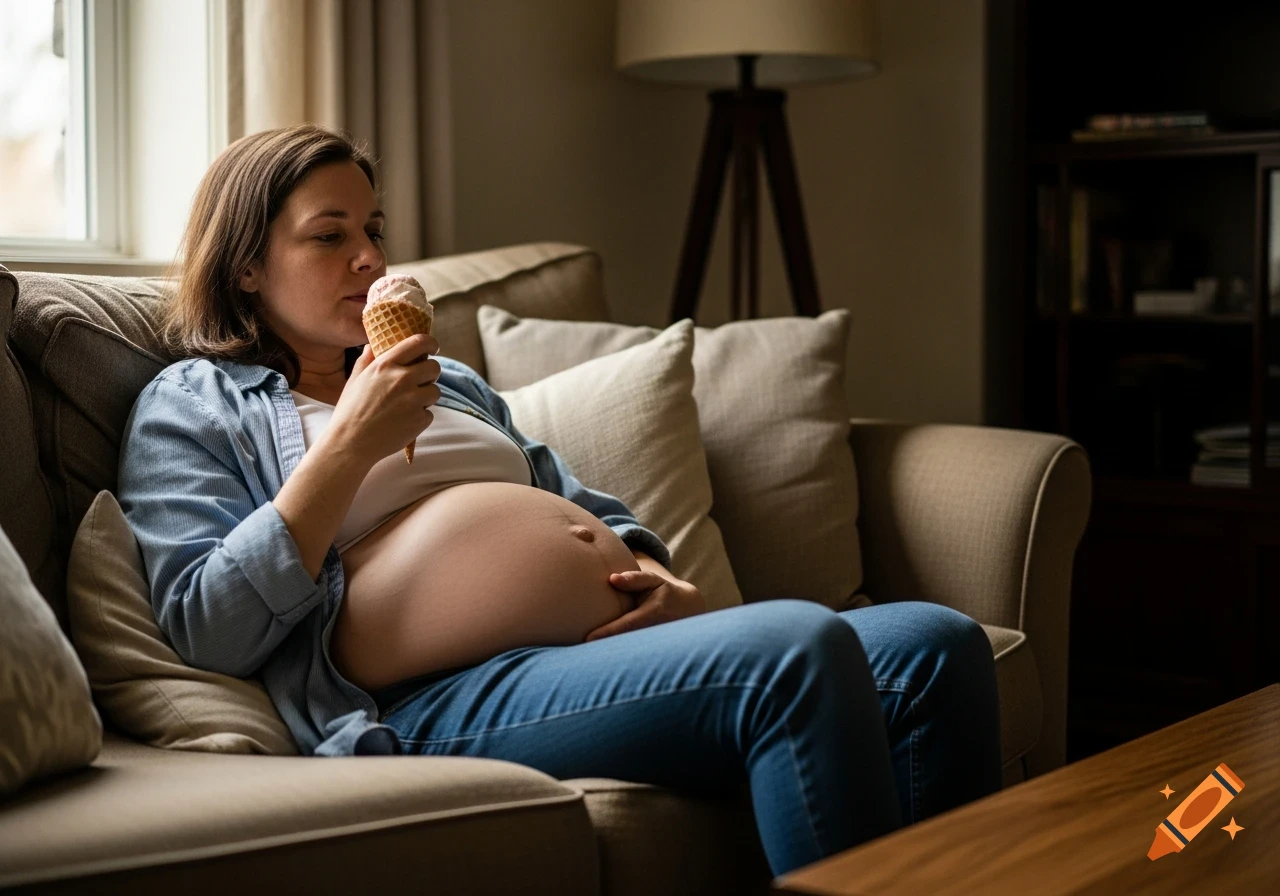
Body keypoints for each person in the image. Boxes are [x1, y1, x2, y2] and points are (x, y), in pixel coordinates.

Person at [117, 124, 1002, 878]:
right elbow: (206, 623)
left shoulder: (449, 381)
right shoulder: (193, 403)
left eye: (376, 230)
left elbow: (579, 500)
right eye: (329, 235)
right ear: (244, 268)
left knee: (935, 644)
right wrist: (349, 445)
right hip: (431, 698)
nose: (372, 259)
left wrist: (655, 571)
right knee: (795, 648)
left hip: (587, 651)